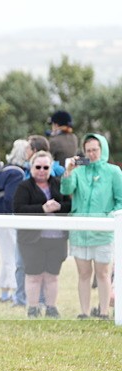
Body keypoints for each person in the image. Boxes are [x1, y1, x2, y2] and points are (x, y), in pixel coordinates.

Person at [61, 133, 122, 319]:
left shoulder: (114, 172)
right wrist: (69, 171)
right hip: (80, 231)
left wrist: (108, 218)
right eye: (88, 150)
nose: (92, 154)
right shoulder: (79, 171)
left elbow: (120, 201)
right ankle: (84, 312)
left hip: (103, 232)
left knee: (103, 274)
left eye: (95, 150)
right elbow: (66, 190)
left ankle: (103, 312)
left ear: (102, 149)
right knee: (84, 273)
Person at [13, 151, 71, 318]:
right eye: (38, 167)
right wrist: (42, 209)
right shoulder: (24, 187)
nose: (41, 170)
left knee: (52, 276)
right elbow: (19, 210)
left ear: (51, 168)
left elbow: (70, 205)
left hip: (57, 238)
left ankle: (51, 308)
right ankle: (33, 309)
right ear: (31, 167)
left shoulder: (59, 184)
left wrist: (59, 207)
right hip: (32, 240)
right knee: (34, 275)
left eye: (46, 167)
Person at [0, 140, 27, 303]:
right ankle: (13, 292)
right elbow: (10, 198)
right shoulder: (17, 173)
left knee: (6, 255)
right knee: (11, 256)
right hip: (7, 217)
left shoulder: (6, 169)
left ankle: (4, 292)